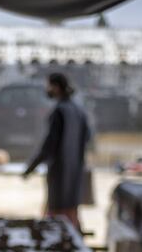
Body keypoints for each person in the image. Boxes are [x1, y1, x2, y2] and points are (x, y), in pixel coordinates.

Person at [23, 73, 91, 228]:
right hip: (74, 174)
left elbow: (49, 145)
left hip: (59, 175)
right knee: (71, 217)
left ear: (56, 87)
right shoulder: (79, 111)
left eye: (49, 86)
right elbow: (87, 138)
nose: (47, 89)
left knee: (56, 222)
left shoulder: (60, 112)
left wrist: (31, 167)